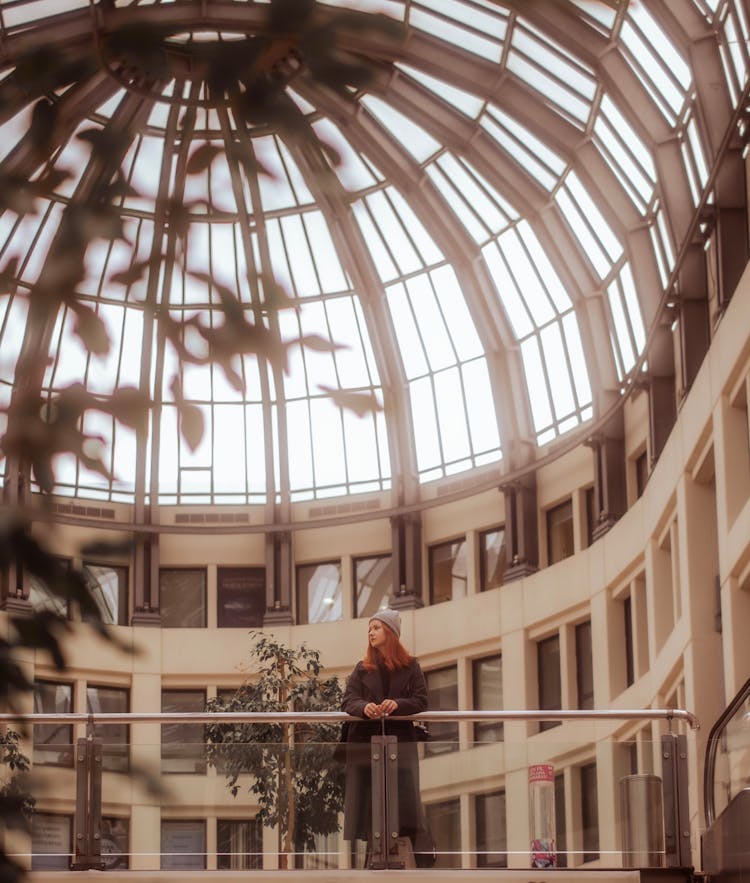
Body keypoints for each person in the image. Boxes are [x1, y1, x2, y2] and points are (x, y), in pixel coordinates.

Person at [340, 608, 429, 867]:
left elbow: (421, 700)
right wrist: (364, 708)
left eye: (376, 627)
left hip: (399, 746)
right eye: (370, 628)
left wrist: (396, 704)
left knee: (402, 804)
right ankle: (374, 861)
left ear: (390, 633)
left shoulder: (411, 666)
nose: (371, 632)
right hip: (367, 747)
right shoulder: (362, 668)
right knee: (370, 806)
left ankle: (398, 859)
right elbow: (348, 700)